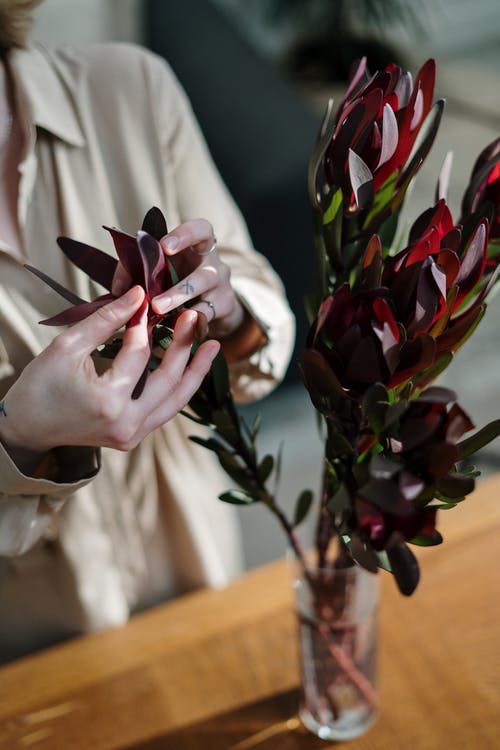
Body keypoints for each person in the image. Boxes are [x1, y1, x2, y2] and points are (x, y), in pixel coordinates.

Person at [0, 1, 295, 662]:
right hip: (31, 649)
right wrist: (19, 439)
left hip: (196, 563)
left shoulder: (130, 90)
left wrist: (228, 313)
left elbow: (259, 319)